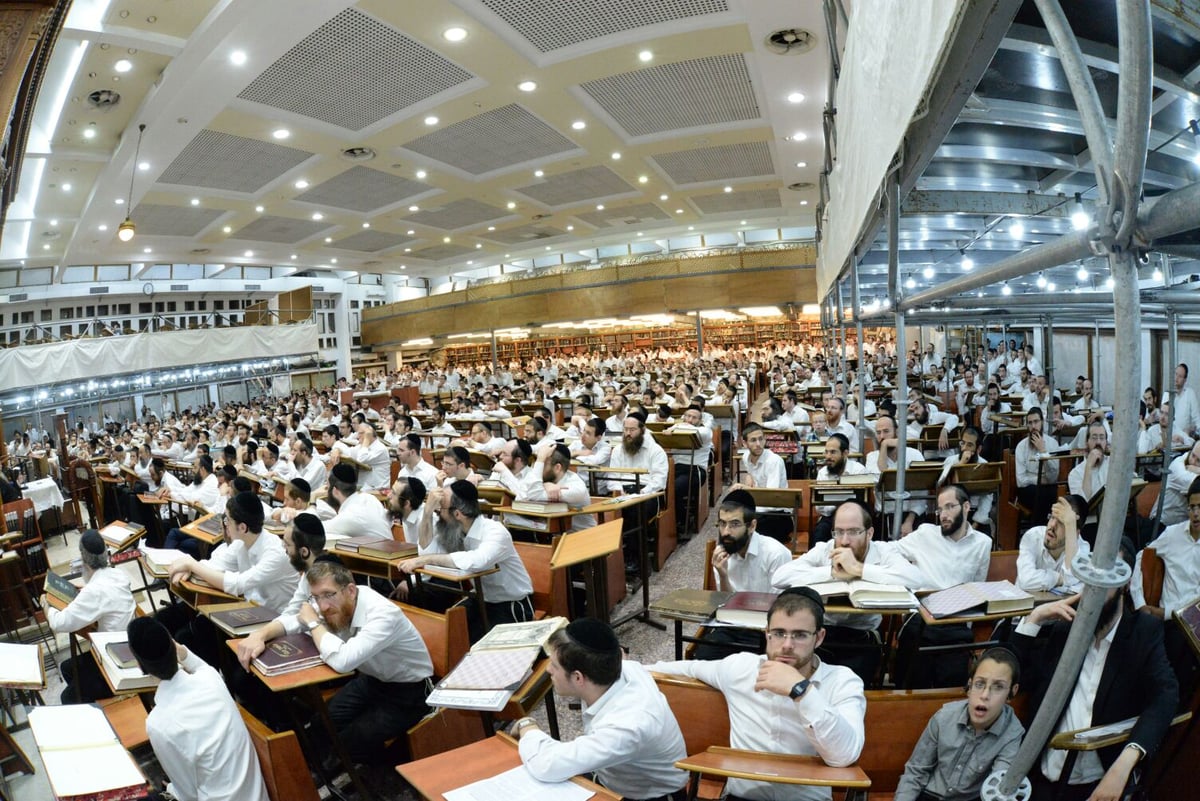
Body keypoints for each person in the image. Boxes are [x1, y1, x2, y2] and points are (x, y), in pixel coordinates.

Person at [650, 588, 866, 801]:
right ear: (767, 634)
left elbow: (844, 756)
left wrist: (801, 690)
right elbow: (685, 669)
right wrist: (624, 665)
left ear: (819, 638)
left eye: (800, 635)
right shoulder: (741, 668)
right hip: (742, 796)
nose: (787, 645)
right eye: (779, 633)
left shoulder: (842, 681)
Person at [1008, 543, 1178, 801]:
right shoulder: (1065, 629)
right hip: (1042, 774)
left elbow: (1165, 695)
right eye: (1089, 580)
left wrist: (1125, 763)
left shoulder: (1143, 631)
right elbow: (1015, 678)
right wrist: (1034, 620)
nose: (1093, 591)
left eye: (1105, 580)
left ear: (1124, 583)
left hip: (1099, 780)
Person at [238, 560, 432, 763]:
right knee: (320, 723)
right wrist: (260, 634)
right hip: (372, 680)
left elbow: (343, 662)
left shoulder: (383, 614)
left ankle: (364, 772)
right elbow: (294, 621)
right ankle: (317, 774)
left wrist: (314, 623)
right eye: (316, 597)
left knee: (352, 740)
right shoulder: (335, 599)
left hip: (410, 692)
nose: (323, 605)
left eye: (328, 595)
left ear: (350, 590)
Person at [514, 618, 689, 801]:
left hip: (648, 797)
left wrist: (528, 726)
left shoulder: (627, 725)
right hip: (615, 777)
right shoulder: (619, 669)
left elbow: (547, 765)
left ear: (578, 678)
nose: (548, 669)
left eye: (554, 666)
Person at [773, 500, 925, 684]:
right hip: (824, 633)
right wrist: (830, 572)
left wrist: (859, 569)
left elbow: (915, 578)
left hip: (863, 635)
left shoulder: (883, 551)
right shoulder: (826, 549)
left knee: (851, 685)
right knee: (806, 681)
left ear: (869, 533)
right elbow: (779, 577)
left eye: (853, 531)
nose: (844, 540)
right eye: (839, 531)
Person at [127, 617, 270, 801]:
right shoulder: (210, 678)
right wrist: (179, 650)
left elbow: (188, 794)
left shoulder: (157, 724)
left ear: (140, 665)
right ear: (174, 646)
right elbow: (199, 665)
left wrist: (172, 789)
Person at [161, 492, 298, 664]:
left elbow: (238, 584)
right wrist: (188, 567)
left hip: (274, 623)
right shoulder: (242, 542)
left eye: (227, 520)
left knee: (196, 634)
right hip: (251, 612)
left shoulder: (275, 553)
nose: (224, 525)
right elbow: (213, 565)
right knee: (187, 631)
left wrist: (191, 565)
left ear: (242, 527)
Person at [400, 481, 534, 638]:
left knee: (479, 647)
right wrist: (427, 512)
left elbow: (477, 561)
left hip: (511, 603)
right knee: (448, 634)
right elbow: (425, 552)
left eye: (440, 508)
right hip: (481, 599)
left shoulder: (495, 531)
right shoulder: (453, 530)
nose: (438, 512)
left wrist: (426, 560)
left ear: (457, 514)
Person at [892, 484, 992, 688]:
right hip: (920, 618)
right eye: (939, 509)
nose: (943, 515)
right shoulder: (925, 534)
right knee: (911, 677)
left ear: (966, 507)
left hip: (956, 622)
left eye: (949, 507)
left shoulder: (983, 543)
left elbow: (977, 586)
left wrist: (967, 623)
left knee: (951, 680)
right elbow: (890, 551)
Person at [893, 647, 1025, 801]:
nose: (985, 695)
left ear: (1012, 692)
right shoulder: (944, 717)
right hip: (930, 795)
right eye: (979, 684)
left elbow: (998, 789)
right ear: (969, 686)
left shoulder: (1012, 734)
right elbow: (916, 772)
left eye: (998, 687)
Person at [46, 530, 136, 703]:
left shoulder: (94, 591)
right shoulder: (118, 575)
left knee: (67, 697)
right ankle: (91, 702)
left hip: (116, 661)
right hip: (125, 644)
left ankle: (98, 708)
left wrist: (46, 606)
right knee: (67, 667)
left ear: (84, 559)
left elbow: (58, 623)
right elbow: (103, 596)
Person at [731, 422, 793, 544]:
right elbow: (751, 474)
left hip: (779, 515)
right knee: (731, 522)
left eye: (761, 439)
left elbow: (770, 498)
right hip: (759, 511)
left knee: (745, 529)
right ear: (744, 443)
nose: (758, 444)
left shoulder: (773, 461)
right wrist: (749, 478)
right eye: (753, 440)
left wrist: (745, 489)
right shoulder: (746, 457)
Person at [1017, 495, 1090, 593]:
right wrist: (1059, 578)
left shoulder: (1082, 548)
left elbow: (1072, 578)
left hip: (1058, 605)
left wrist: (1070, 524)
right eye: (1052, 517)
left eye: (1061, 522)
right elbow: (1026, 581)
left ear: (1075, 533)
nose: (1052, 525)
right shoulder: (1033, 536)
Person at [810, 433, 870, 545]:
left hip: (856, 517)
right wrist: (840, 506)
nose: (828, 456)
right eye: (826, 452)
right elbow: (820, 508)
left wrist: (835, 504)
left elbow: (863, 504)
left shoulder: (859, 471)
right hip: (830, 517)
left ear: (845, 453)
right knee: (820, 532)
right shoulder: (823, 473)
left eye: (833, 452)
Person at [322, 462, 392, 541]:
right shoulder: (369, 498)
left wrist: (312, 498)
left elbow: (316, 529)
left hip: (378, 552)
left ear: (335, 490)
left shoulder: (350, 516)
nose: (325, 488)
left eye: (327, 485)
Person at [1014, 406, 1060, 524]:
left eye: (1036, 422)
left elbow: (1053, 478)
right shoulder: (1021, 447)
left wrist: (1043, 452)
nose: (1033, 426)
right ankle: (1041, 527)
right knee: (1040, 494)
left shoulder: (1053, 443)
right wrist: (1040, 479)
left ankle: (1039, 528)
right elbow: (1021, 481)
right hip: (1028, 490)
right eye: (1030, 423)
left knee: (1051, 493)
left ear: (1042, 422)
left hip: (1048, 487)